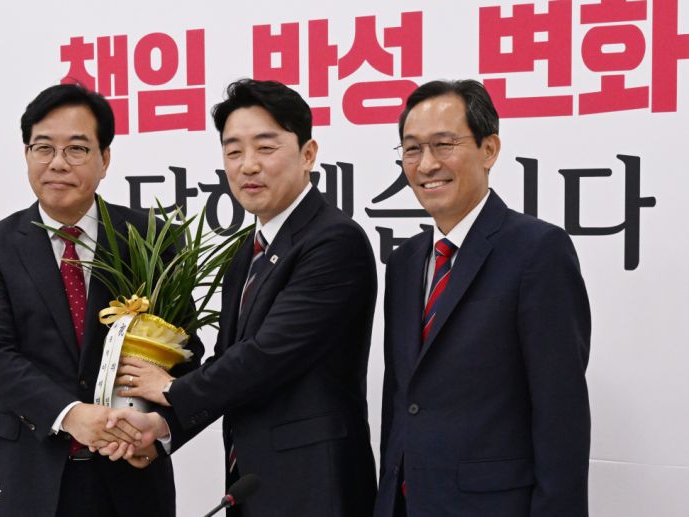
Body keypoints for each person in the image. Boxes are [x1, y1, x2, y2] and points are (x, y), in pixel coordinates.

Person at [99, 78, 378, 517]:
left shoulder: (334, 240)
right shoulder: (247, 252)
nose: (248, 165)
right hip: (252, 484)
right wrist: (162, 430)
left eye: (265, 148)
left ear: (308, 154)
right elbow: (228, 361)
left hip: (316, 484)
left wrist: (170, 388)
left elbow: (266, 356)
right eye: (233, 151)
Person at [0, 84, 201, 517]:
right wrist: (70, 414)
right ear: (27, 154)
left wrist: (159, 433)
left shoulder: (152, 239)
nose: (57, 163)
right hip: (25, 473)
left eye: (76, 149)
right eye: (43, 148)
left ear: (104, 159)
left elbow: (185, 353)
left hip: (129, 473)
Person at [374, 80, 591, 517]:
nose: (427, 164)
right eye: (412, 149)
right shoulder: (403, 262)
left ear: (489, 149)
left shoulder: (537, 251)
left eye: (444, 144)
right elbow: (400, 399)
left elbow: (561, 414)